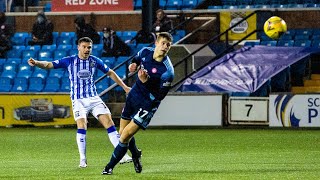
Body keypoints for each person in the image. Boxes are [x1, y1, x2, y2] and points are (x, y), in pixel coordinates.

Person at [27, 37, 133, 168]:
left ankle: (122, 155)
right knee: (82, 126)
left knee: (109, 123)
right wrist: (36, 62)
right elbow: (49, 65)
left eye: (89, 47)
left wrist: (125, 87)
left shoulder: (95, 61)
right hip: (78, 100)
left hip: (94, 98)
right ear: (78, 47)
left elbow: (110, 72)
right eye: (84, 47)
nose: (87, 49)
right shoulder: (70, 61)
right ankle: (83, 160)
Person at [101, 32, 175, 175]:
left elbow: (160, 96)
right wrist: (133, 65)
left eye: (168, 45)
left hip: (148, 103)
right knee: (122, 132)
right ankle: (135, 154)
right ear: (156, 44)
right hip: (134, 95)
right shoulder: (145, 51)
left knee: (124, 136)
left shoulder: (167, 71)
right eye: (163, 43)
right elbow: (136, 58)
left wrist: (146, 82)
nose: (165, 47)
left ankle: (108, 168)